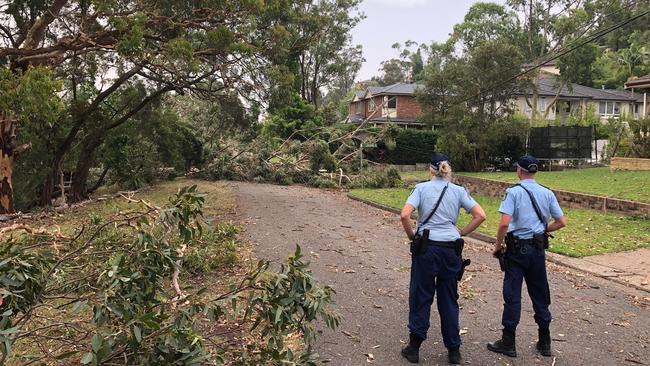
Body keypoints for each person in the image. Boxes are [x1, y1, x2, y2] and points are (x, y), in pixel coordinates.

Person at [400, 153, 486, 364]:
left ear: (430, 170)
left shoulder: (421, 189)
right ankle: (454, 350)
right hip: (450, 250)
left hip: (426, 249)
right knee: (449, 298)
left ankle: (414, 347)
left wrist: (413, 236)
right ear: (448, 169)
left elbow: (404, 215)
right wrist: (462, 232)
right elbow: (481, 215)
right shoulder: (458, 191)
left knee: (421, 295)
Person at [487, 155, 567, 358]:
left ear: (519, 170)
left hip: (516, 250)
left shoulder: (513, 193)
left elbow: (504, 224)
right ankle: (545, 341)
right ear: (535, 171)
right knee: (540, 293)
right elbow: (561, 221)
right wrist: (542, 230)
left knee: (512, 294)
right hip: (537, 251)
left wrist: (497, 247)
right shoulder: (547, 193)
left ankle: (508, 342)